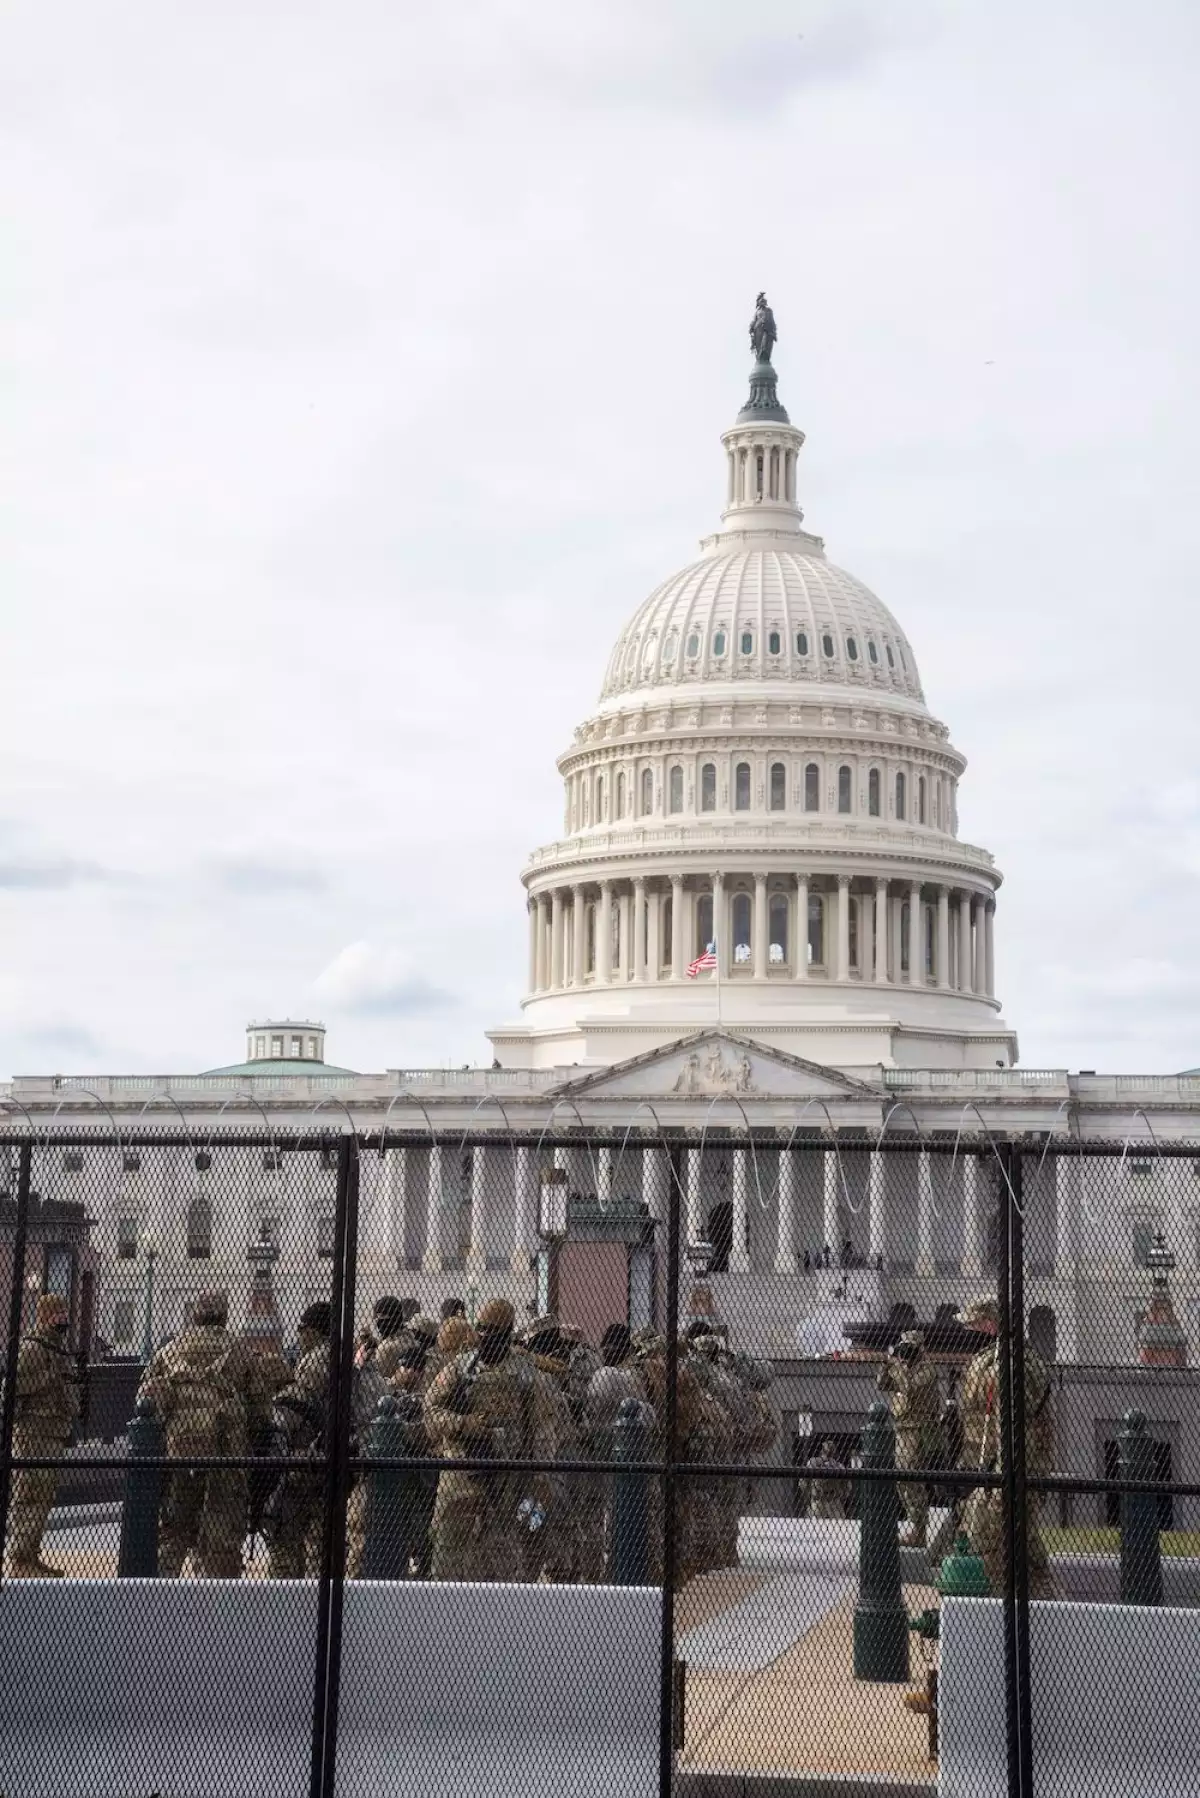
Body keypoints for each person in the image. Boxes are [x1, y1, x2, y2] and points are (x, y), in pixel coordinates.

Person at [138, 1289, 271, 1578]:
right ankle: (216, 1601)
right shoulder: (240, 1352)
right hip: (226, 1457)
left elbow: (144, 1399)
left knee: (173, 1532)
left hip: (177, 1455)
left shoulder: (171, 1350)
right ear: (225, 1315)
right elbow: (262, 1411)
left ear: (195, 1315)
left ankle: (158, 1593)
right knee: (220, 1534)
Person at [423, 1297, 556, 1583]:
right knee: (447, 1551)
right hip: (460, 1473)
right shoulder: (460, 1368)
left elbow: (542, 1433)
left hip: (505, 1479)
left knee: (501, 1556)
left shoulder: (527, 1376)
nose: (483, 1337)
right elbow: (430, 1409)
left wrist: (537, 1479)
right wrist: (464, 1424)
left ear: (507, 1334)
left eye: (491, 1331)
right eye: (480, 1329)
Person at [955, 1297, 1056, 1598]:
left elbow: (1014, 1431)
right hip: (995, 1469)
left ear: (989, 1323)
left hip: (1006, 1472)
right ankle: (1033, 1607)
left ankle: (1002, 1610)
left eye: (975, 1322)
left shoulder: (1008, 1366)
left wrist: (999, 1487)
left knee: (988, 1543)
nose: (970, 1329)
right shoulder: (1001, 1357)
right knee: (1022, 1543)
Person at [5, 1293, 80, 1577]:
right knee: (30, 1495)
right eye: (59, 1313)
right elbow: (11, 1390)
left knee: (43, 1496)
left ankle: (29, 1554)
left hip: (52, 1434)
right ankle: (20, 1559)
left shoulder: (57, 1349)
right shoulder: (33, 1349)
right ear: (47, 1315)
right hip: (33, 1435)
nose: (64, 1319)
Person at [264, 1301, 332, 1579]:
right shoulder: (341, 1354)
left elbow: (298, 1407)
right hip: (327, 1457)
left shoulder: (316, 1360)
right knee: (319, 1542)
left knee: (285, 1539)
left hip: (304, 1459)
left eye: (301, 1328)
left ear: (313, 1331)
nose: (299, 1335)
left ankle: (285, 1601)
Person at [876, 1329, 942, 1548]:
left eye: (910, 1348)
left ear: (921, 1348)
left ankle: (919, 1529)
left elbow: (909, 1388)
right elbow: (882, 1385)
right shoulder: (902, 1367)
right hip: (902, 1428)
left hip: (919, 1430)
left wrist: (898, 1367)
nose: (906, 1351)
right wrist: (887, 1363)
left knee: (910, 1478)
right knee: (902, 1479)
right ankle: (915, 1525)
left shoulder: (927, 1370)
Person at [803, 1440, 849, 1521]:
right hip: (819, 1499)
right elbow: (803, 1482)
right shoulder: (814, 1463)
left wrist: (843, 1493)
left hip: (833, 1499)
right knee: (815, 1522)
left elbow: (846, 1484)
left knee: (841, 1524)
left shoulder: (838, 1465)